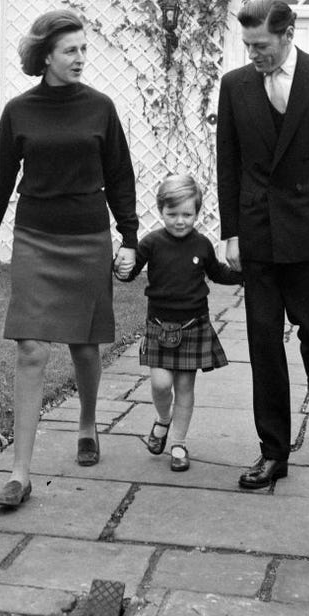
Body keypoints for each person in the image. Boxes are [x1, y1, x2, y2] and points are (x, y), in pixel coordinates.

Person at [0, 9, 138, 508]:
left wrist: (129, 237)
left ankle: (87, 422)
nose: (81, 58)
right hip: (36, 239)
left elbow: (121, 176)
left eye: (84, 49)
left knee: (85, 346)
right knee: (31, 349)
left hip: (88, 237)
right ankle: (20, 472)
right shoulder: (20, 111)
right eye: (71, 50)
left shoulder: (101, 108)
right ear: (46, 55)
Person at [216, 0, 309, 489]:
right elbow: (228, 163)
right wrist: (231, 231)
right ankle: (273, 451)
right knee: (263, 342)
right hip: (258, 232)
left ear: (287, 33)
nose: (253, 54)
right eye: (247, 45)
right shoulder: (234, 86)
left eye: (260, 44)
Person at [115, 173, 242, 472]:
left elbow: (218, 273)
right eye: (173, 214)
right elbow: (130, 273)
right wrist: (119, 265)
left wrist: (244, 274)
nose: (180, 221)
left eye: (188, 214)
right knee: (161, 383)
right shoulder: (152, 243)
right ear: (161, 211)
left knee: (185, 387)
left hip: (193, 325)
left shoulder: (201, 245)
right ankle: (162, 419)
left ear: (197, 212)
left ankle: (179, 443)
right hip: (159, 325)